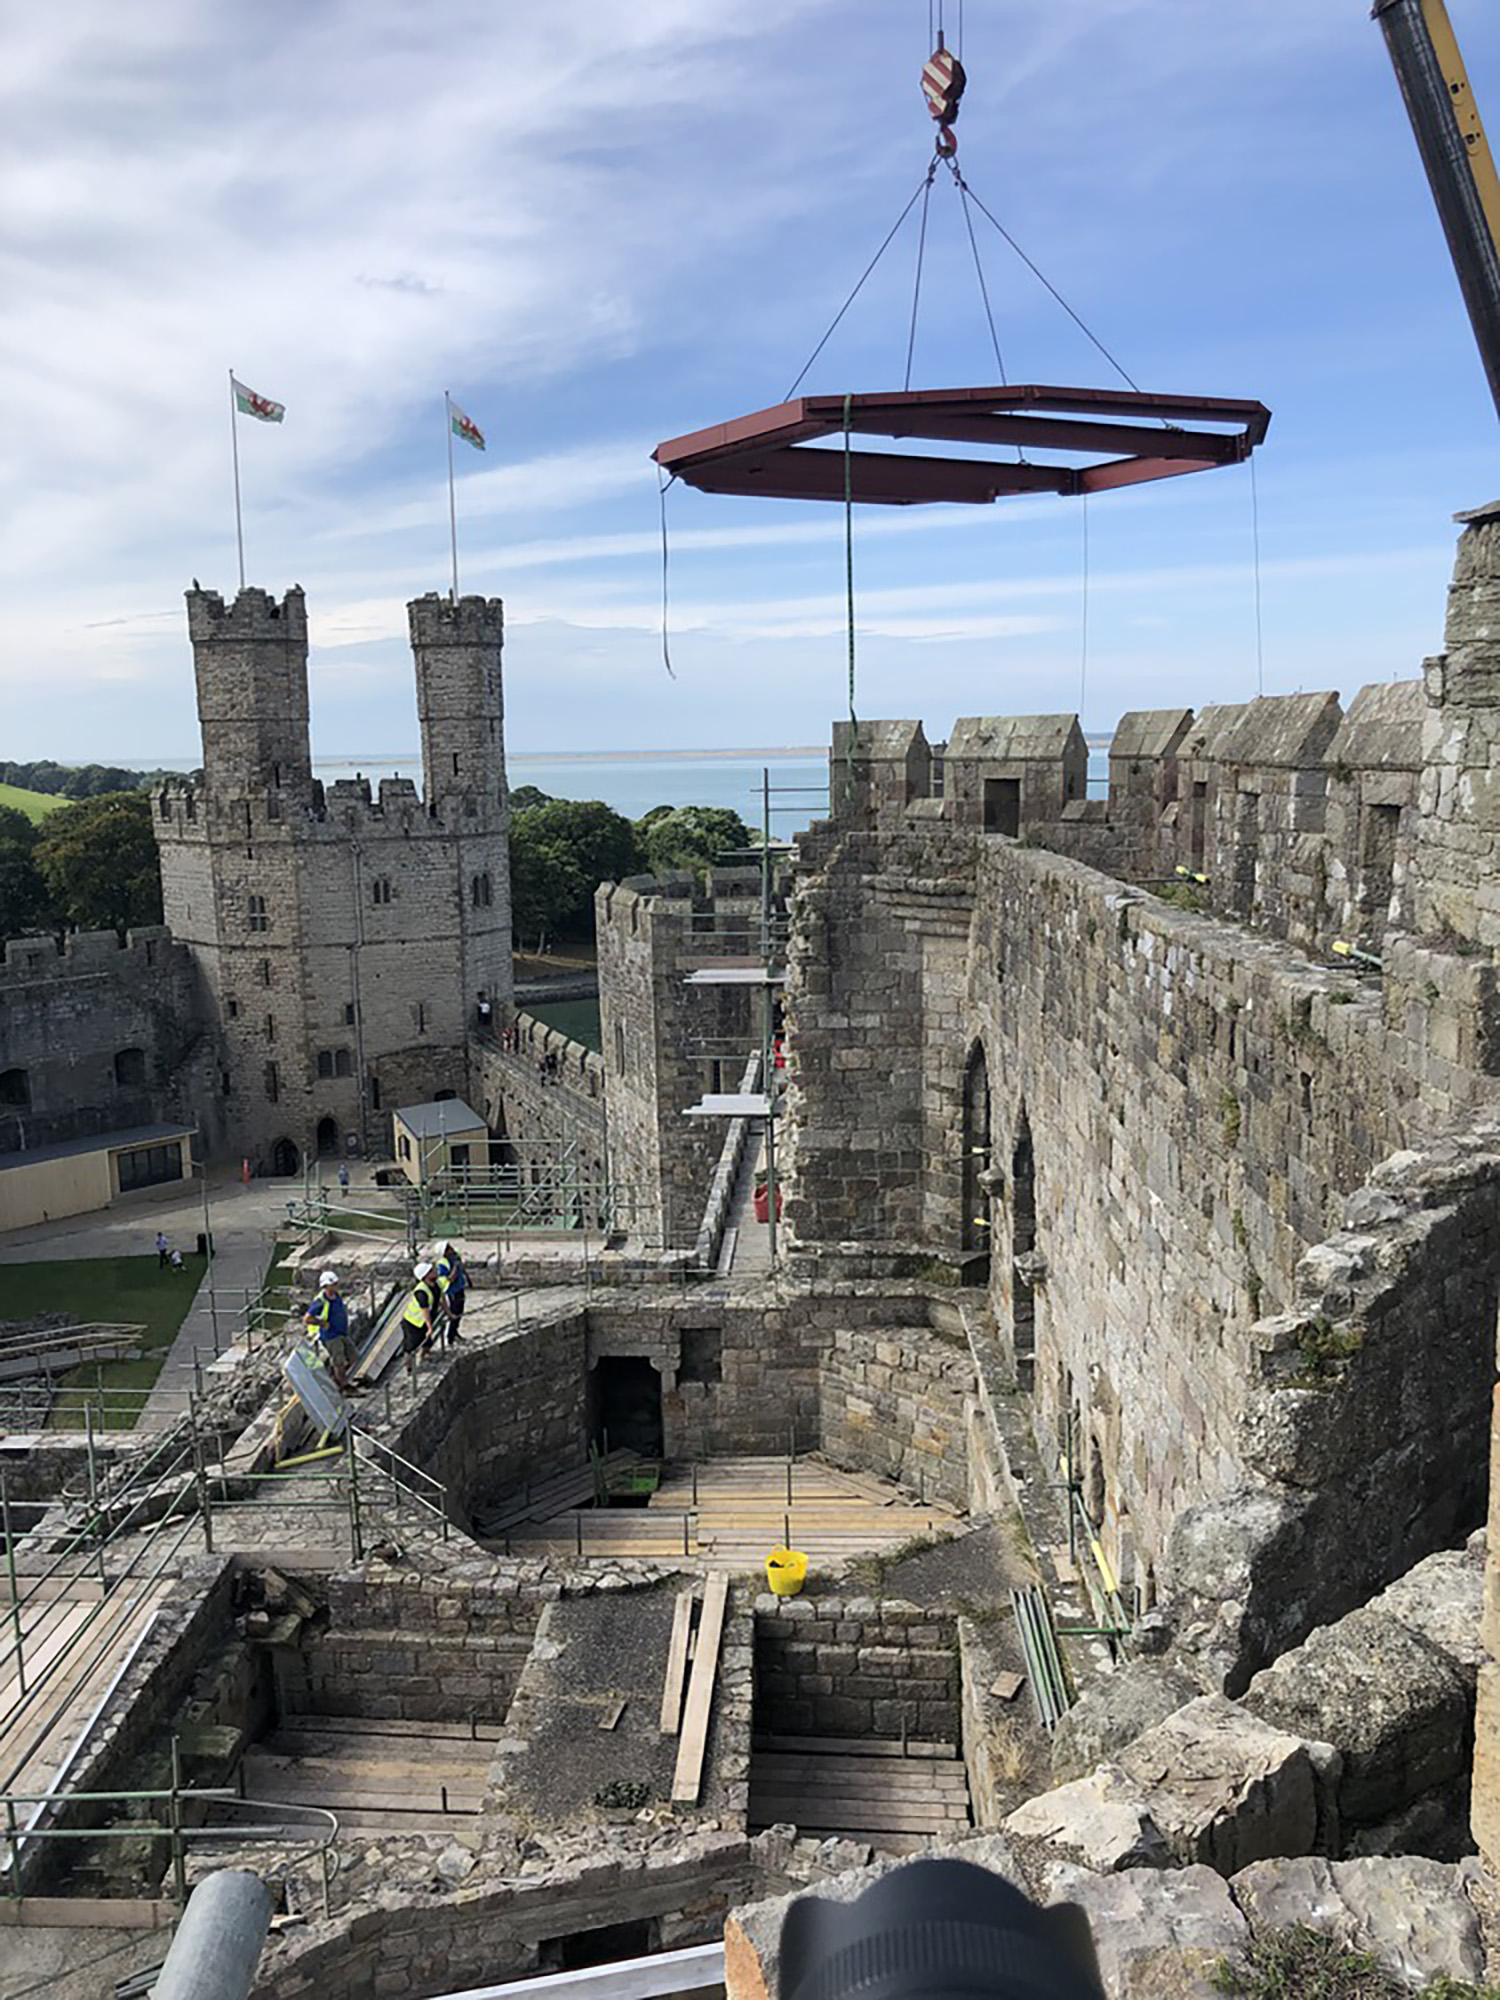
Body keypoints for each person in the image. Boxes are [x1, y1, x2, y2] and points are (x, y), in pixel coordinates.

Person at [304, 1269, 358, 1394]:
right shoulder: (320, 1301)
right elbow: (307, 1318)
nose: (336, 1286)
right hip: (331, 1336)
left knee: (353, 1356)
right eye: (333, 1284)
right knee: (338, 1362)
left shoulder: (336, 1295)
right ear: (326, 1286)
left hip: (341, 1333)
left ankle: (337, 1379)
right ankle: (343, 1386)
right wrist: (322, 1323)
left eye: (336, 1284)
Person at [401, 1260, 439, 1379]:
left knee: (427, 1341)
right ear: (425, 1276)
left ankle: (425, 1357)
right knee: (411, 1346)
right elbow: (424, 1310)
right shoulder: (421, 1292)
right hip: (413, 1322)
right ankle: (409, 1368)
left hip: (424, 1320)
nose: (434, 1271)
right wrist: (429, 1327)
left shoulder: (434, 1285)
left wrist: (449, 1313)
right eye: (431, 1271)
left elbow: (440, 1300)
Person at [436, 1241, 467, 1346]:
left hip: (459, 1288)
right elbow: (450, 1278)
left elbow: (461, 1270)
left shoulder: (454, 1257)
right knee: (455, 1312)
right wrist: (455, 1267)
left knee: (460, 1312)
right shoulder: (443, 1264)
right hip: (452, 1290)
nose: (451, 1249)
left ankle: (455, 1332)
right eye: (448, 1248)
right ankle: (450, 1336)